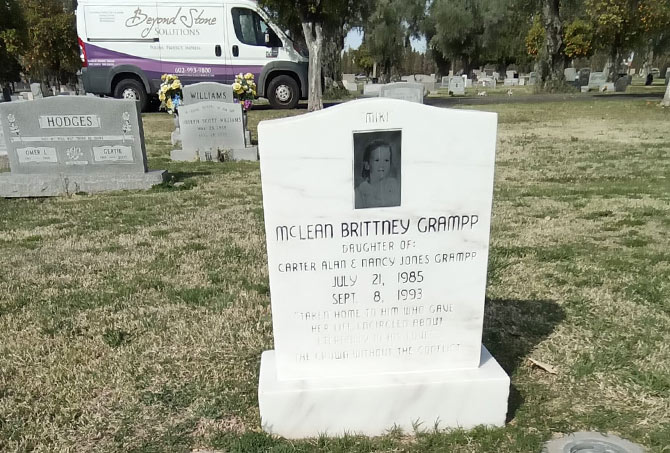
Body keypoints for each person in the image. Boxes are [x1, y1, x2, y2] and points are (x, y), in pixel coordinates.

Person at [355, 139, 400, 209]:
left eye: (386, 160)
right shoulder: (360, 192)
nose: (382, 164)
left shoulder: (394, 186)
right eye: (377, 160)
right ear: (367, 165)